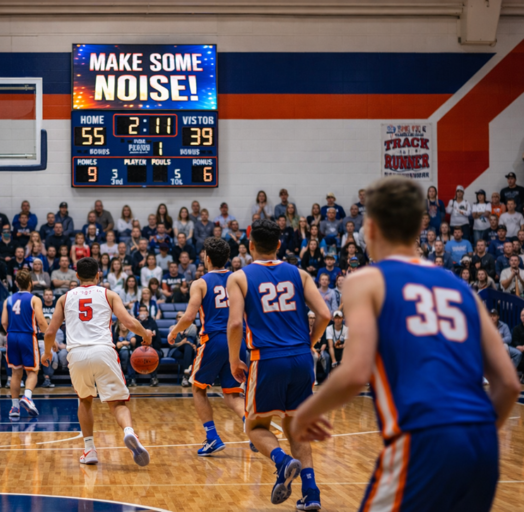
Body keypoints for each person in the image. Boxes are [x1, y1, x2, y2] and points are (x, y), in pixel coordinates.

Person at [290, 177, 520, 511]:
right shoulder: (460, 289)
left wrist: (302, 416)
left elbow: (355, 373)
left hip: (422, 440)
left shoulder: (366, 280)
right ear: (419, 226)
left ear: (370, 228)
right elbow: (509, 384)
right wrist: (471, 437)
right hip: (483, 449)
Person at [226, 218, 331, 509]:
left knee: (254, 427)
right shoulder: (300, 274)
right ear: (279, 245)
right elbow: (324, 314)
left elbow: (235, 324)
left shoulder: (239, 277)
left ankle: (282, 461)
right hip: (300, 359)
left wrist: (234, 360)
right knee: (295, 426)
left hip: (266, 358)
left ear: (250, 245)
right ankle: (311, 493)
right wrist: (308, 344)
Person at [43, 257, 152, 467]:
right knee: (117, 403)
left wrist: (48, 352)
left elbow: (50, 332)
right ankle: (130, 433)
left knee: (84, 400)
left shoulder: (64, 298)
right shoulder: (108, 294)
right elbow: (128, 322)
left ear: (76, 276)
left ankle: (90, 450)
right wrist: (144, 333)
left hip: (76, 354)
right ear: (98, 275)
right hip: (103, 351)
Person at [167, 237, 252, 455]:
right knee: (233, 394)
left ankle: (212, 436)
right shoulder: (240, 279)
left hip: (214, 340)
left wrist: (174, 331)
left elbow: (188, 317)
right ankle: (252, 429)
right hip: (238, 340)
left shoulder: (201, 283)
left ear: (208, 258)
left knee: (198, 387)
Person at [2, 270, 50, 418]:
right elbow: (41, 322)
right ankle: (27, 396)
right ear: (30, 283)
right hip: (27, 336)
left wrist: (13, 331)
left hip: (11, 335)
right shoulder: (34, 299)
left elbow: (4, 322)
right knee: (33, 371)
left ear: (16, 283)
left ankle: (15, 408)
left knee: (16, 373)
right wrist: (50, 339)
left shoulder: (8, 300)